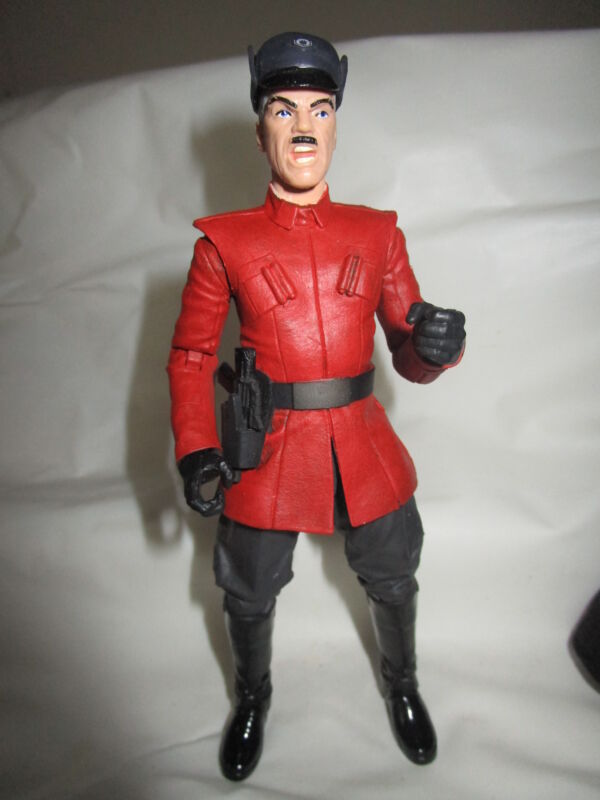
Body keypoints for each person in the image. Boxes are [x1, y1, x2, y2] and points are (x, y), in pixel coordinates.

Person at [167, 32, 466, 782]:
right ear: (260, 130)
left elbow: (408, 350)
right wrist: (198, 448)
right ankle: (251, 696)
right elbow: (192, 357)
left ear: (336, 125)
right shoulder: (222, 244)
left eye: (320, 110)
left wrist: (434, 344)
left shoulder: (377, 232)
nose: (303, 126)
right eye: (283, 109)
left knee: (393, 573)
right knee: (247, 589)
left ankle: (402, 683)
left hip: (361, 442)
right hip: (265, 448)